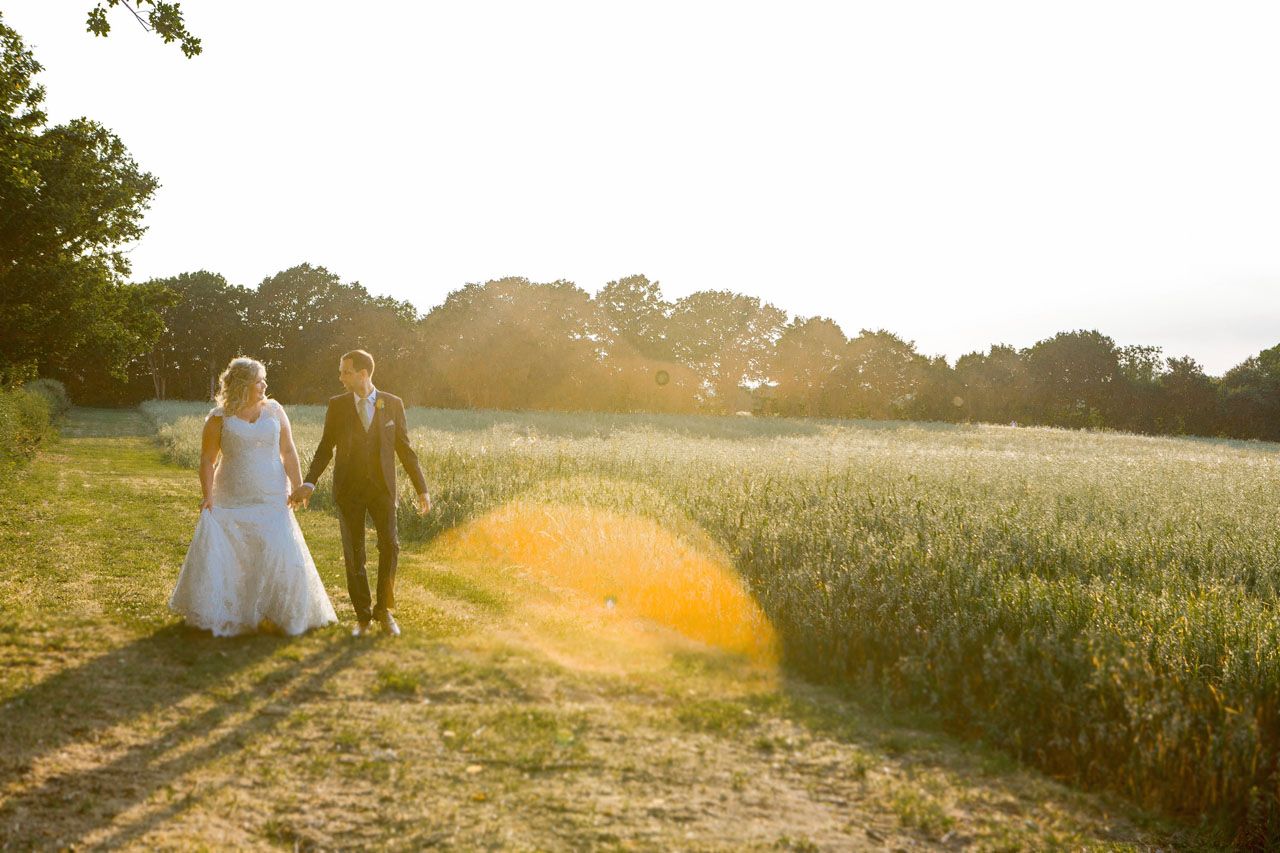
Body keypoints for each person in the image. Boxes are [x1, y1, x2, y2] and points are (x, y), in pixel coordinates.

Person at [169, 357, 337, 636]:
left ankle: (278, 611)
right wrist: (207, 496)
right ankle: (232, 611)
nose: (265, 385)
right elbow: (208, 460)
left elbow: (288, 451)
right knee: (232, 551)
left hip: (272, 493)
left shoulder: (274, 410)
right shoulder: (218, 418)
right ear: (244, 384)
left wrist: (297, 485)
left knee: (275, 549)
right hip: (231, 495)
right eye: (260, 380)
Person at [290, 349, 431, 637]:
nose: (340, 377)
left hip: (383, 490)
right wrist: (310, 482)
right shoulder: (337, 405)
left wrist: (422, 489)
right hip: (349, 491)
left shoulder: (392, 404)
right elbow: (325, 448)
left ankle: (385, 610)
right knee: (355, 554)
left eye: (346, 372)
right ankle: (363, 616)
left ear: (363, 374)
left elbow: (405, 449)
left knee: (390, 546)